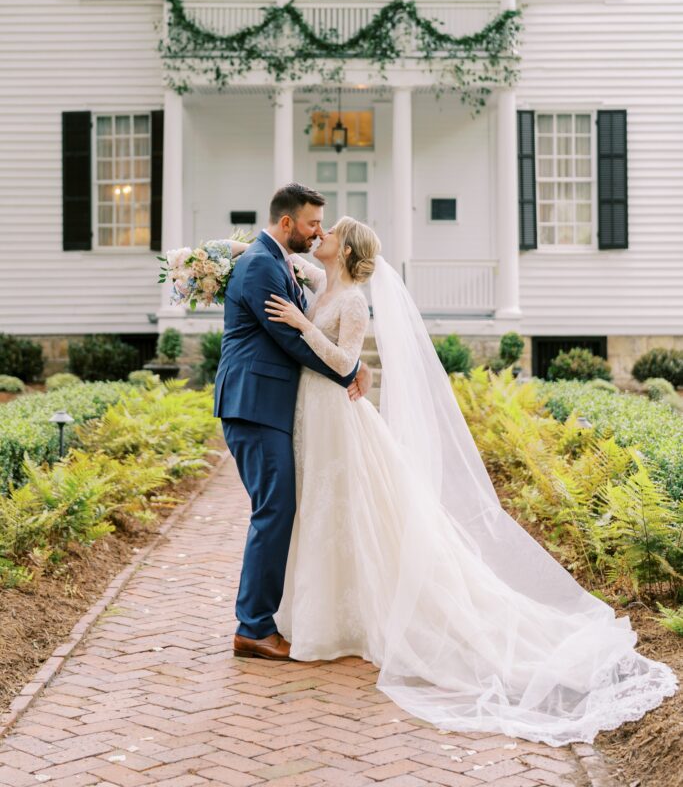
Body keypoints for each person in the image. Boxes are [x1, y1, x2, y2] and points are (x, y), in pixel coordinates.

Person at [263, 215, 678, 746]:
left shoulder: (354, 301)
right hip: (312, 413)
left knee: (344, 508)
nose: (319, 237)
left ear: (346, 249)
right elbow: (283, 254)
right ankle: (318, 616)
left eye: (330, 233)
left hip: (336, 412)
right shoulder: (320, 283)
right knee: (322, 509)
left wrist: (302, 326)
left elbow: (346, 362)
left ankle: (350, 622)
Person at [214, 184, 372, 661]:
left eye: (323, 227)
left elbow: (300, 277)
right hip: (255, 403)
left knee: (279, 509)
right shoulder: (263, 265)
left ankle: (264, 619)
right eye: (311, 224)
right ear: (287, 224)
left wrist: (351, 364)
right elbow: (291, 342)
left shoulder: (275, 259)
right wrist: (350, 367)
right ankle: (254, 627)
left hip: (270, 405)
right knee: (275, 510)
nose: (317, 231)